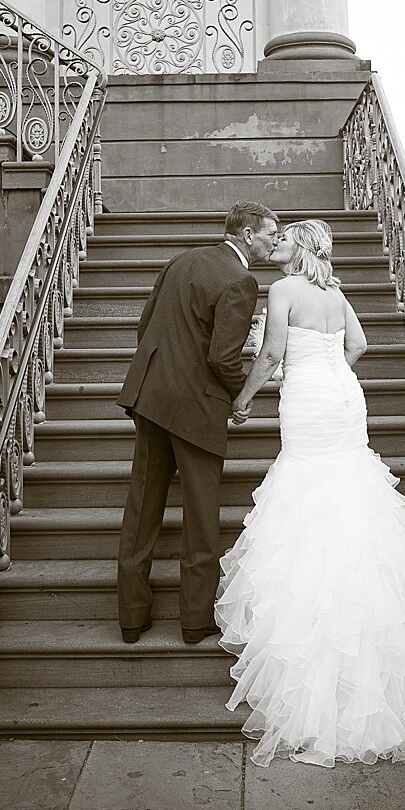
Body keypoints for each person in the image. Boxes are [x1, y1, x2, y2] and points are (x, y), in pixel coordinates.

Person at [218, 219, 405, 767]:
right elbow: (358, 344)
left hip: (309, 399)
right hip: (342, 396)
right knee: (349, 489)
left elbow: (269, 356)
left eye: (286, 238)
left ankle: (313, 636)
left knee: (307, 488)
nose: (279, 244)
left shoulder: (284, 289)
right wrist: (331, 369)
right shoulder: (336, 292)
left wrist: (244, 399)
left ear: (304, 248)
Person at [117, 201, 278, 645]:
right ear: (247, 235)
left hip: (151, 398)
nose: (274, 242)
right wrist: (239, 396)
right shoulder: (241, 280)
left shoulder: (181, 260)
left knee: (141, 512)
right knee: (201, 518)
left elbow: (145, 326)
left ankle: (131, 619)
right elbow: (222, 357)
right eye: (270, 234)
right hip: (197, 410)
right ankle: (194, 621)